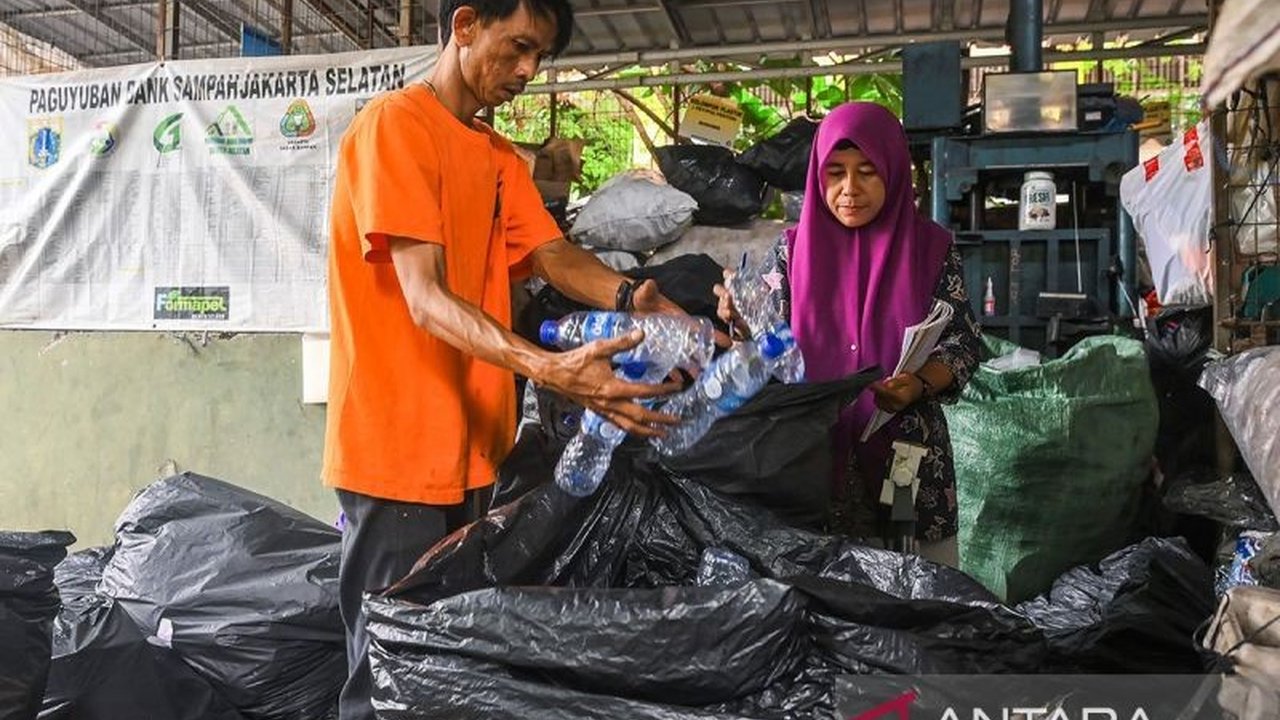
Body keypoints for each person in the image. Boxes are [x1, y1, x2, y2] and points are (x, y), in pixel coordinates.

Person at [323, 1, 682, 717]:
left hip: (473, 453)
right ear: (464, 27)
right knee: (388, 675)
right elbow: (424, 300)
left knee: (446, 668)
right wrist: (549, 368)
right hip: (398, 455)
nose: (528, 71)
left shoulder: (490, 155)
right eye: (518, 47)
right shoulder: (395, 127)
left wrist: (627, 295)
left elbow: (550, 254)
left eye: (541, 56)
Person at [717, 102, 981, 566]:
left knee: (907, 581)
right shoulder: (791, 252)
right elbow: (766, 349)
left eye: (867, 172)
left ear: (895, 172)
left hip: (905, 453)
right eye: (835, 172)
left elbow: (961, 343)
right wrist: (740, 320)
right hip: (811, 455)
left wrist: (917, 385)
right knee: (826, 589)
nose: (849, 189)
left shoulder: (932, 248)